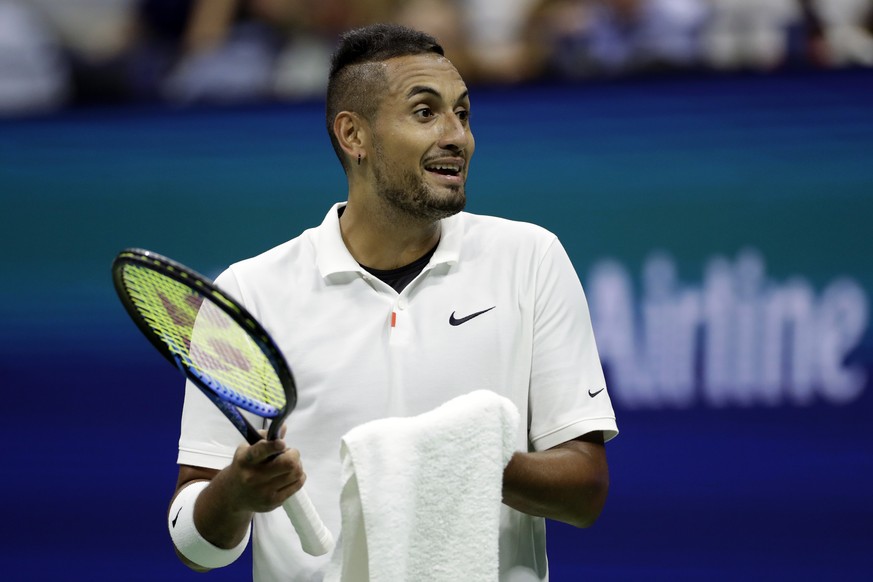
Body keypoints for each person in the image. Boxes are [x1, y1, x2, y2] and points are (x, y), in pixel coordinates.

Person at [168, 23, 618, 581]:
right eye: (426, 113)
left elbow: (586, 492)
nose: (457, 136)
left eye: (464, 113)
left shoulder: (530, 258)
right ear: (353, 135)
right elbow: (195, 544)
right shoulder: (248, 292)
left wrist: (463, 457)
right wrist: (236, 493)